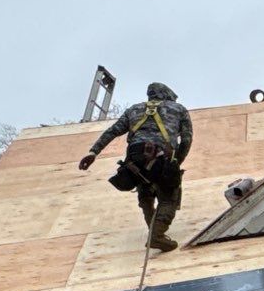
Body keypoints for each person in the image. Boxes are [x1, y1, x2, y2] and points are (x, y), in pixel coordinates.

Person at [78, 82, 193, 252]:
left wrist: (94, 152)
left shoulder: (134, 110)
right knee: (169, 197)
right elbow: (186, 139)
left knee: (145, 191)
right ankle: (157, 235)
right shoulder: (178, 109)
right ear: (167, 94)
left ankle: (153, 230)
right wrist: (176, 162)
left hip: (135, 158)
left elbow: (112, 131)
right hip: (163, 156)